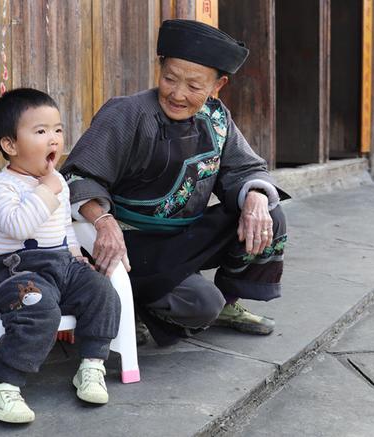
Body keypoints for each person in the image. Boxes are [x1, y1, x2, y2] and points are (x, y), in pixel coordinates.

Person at [61, 19, 289, 346]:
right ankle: (131, 302)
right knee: (201, 304)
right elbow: (78, 176)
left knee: (269, 210)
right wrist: (103, 222)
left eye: (194, 86)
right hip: (132, 245)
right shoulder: (126, 113)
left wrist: (255, 197)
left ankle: (228, 302)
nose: (177, 94)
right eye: (170, 79)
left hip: (183, 239)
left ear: (218, 85)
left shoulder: (217, 117)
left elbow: (247, 168)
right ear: (160, 69)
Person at [0, 88, 121, 423]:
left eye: (57, 129)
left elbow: (64, 228)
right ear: (10, 145)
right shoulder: (1, 187)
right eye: (41, 131)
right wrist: (46, 189)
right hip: (17, 273)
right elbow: (19, 226)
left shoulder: (56, 180)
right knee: (39, 309)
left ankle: (92, 365)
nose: (54, 138)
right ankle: (3, 386)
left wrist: (75, 254)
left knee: (102, 291)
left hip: (62, 265)